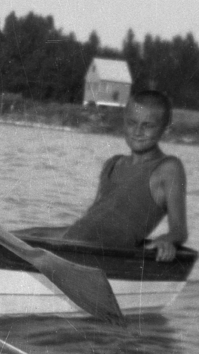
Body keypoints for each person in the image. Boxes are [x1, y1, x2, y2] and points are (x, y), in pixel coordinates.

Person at [58, 90, 188, 261]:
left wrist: (165, 241)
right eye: (132, 123)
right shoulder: (113, 163)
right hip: (74, 241)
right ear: (124, 122)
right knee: (19, 237)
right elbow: (92, 219)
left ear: (165, 127)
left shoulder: (168, 168)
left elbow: (179, 230)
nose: (137, 131)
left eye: (148, 125)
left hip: (102, 254)